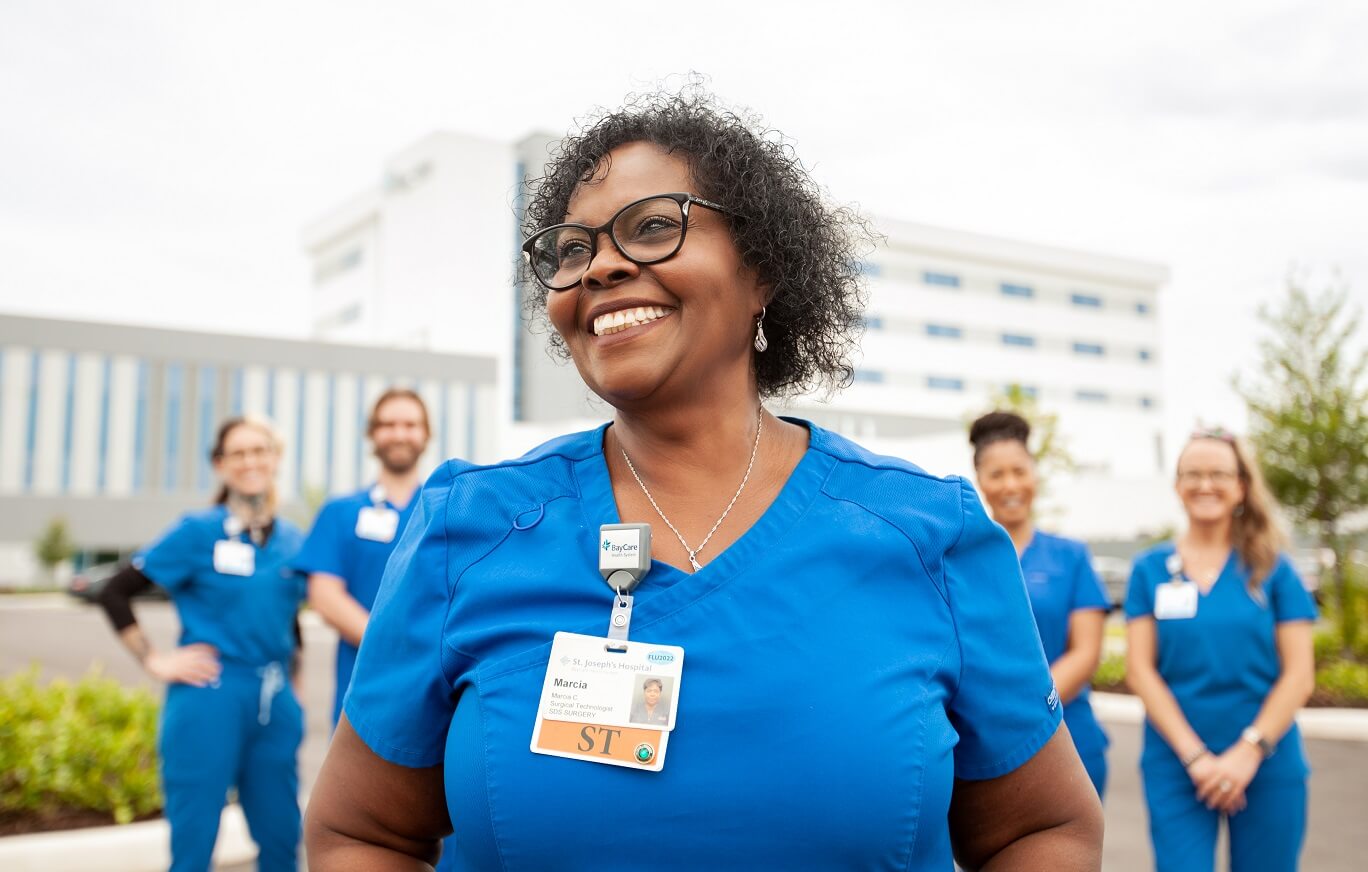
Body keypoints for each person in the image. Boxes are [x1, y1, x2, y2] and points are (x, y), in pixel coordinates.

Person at [306, 88, 1103, 871]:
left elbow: (1042, 831)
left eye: (653, 226)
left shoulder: (929, 535)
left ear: (762, 271)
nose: (603, 266)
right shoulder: (470, 529)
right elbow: (360, 835)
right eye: (573, 249)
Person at [98, 416, 306, 872]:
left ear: (275, 459)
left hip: (275, 700)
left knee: (283, 840)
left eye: (260, 450)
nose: (250, 461)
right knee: (193, 844)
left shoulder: (293, 540)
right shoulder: (197, 531)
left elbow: (290, 619)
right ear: (219, 464)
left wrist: (296, 686)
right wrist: (154, 661)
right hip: (210, 693)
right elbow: (115, 591)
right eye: (238, 452)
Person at [1124, 428, 1317, 872]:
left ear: (1241, 487)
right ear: (1176, 486)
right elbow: (1140, 671)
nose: (1205, 484)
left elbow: (1299, 675)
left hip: (1268, 762)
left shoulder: (1274, 568)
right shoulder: (1149, 569)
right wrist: (1197, 758)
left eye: (1218, 474)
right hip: (1176, 763)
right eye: (1193, 474)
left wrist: (1247, 752)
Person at [968, 411, 1111, 798]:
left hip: (1071, 738)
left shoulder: (1071, 557)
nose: (1010, 484)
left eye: (1019, 471)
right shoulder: (962, 558)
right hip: (984, 746)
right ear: (979, 480)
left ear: (1035, 475)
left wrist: (1028, 712)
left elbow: (1086, 652)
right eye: (996, 474)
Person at [294, 387, 430, 728]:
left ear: (426, 434)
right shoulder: (339, 513)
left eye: (410, 424)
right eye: (388, 424)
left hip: (431, 690)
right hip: (362, 690)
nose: (399, 433)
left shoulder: (446, 512)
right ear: (372, 434)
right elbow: (324, 596)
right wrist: (395, 648)